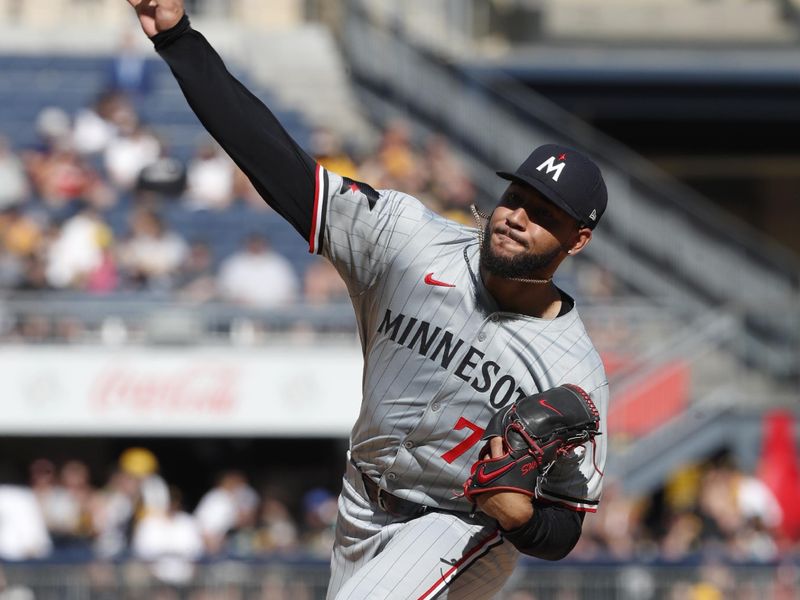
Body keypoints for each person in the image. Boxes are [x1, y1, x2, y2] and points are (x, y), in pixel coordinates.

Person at [125, 1, 610, 597]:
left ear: (577, 240)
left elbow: (567, 521)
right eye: (516, 197)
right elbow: (283, 168)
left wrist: (523, 517)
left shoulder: (573, 368)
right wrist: (178, 40)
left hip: (457, 525)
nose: (516, 218)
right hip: (360, 499)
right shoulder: (410, 243)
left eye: (543, 215)